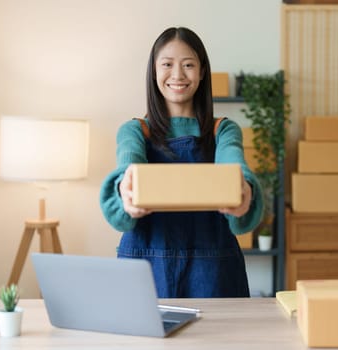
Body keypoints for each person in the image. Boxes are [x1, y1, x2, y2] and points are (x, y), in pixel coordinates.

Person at [99, 27, 264, 298]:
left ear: (201, 72)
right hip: (144, 270)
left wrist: (243, 189)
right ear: (154, 71)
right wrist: (125, 191)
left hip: (214, 273)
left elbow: (234, 165)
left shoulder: (223, 130)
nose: (177, 75)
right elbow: (127, 169)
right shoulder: (134, 131)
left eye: (188, 65)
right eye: (167, 64)